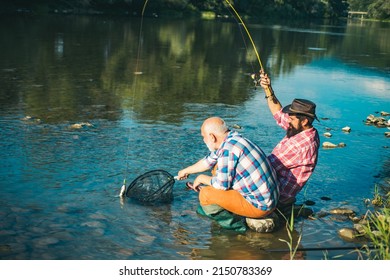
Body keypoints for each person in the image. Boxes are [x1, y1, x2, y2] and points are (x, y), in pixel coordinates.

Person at [177, 116, 279, 232]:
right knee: (216, 168)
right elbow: (207, 162)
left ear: (211, 137)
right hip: (269, 198)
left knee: (206, 194)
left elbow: (221, 185)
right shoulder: (233, 139)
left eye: (203, 137)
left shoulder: (228, 150)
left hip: (260, 206)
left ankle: (236, 227)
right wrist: (185, 171)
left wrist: (201, 178)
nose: (204, 140)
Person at [259, 72, 320, 210]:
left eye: (291, 119)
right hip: (283, 192)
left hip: (276, 196)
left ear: (304, 120)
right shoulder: (308, 131)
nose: (288, 121)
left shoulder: (299, 145)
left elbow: (265, 167)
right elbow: (279, 114)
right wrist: (268, 89)